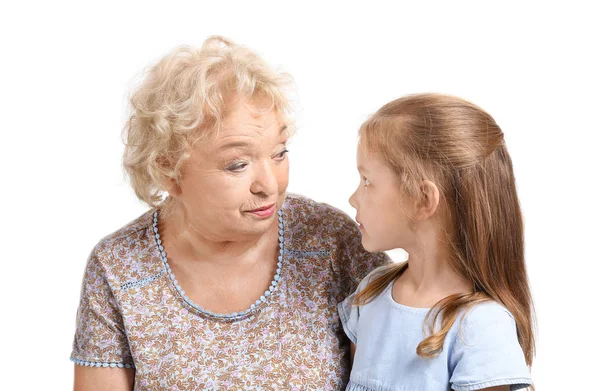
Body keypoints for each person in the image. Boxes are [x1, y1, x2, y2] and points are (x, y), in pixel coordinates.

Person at [71, 36, 389, 390]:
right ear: (169, 171)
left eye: (279, 153)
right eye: (237, 165)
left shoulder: (330, 242)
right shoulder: (119, 268)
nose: (268, 184)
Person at [338, 93, 535, 391]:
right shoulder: (370, 294)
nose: (354, 198)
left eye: (367, 181)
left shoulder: (480, 327)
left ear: (422, 199)